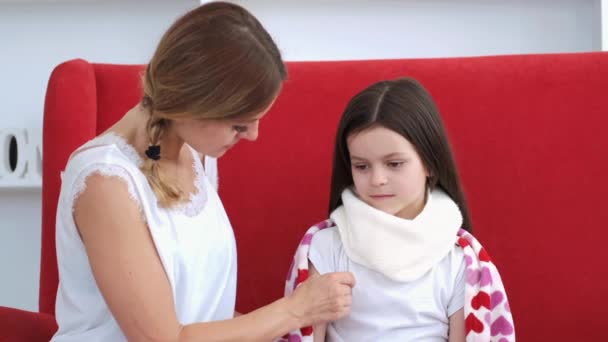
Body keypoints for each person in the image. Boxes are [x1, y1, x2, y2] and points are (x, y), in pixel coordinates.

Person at [51, 2, 355, 341]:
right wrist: (295, 310)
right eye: (239, 125)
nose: (253, 136)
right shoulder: (106, 183)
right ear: (192, 104)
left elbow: (206, 314)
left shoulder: (195, 155)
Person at [281, 78, 514, 341]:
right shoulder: (326, 246)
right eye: (362, 166)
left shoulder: (460, 259)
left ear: (430, 164)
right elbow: (305, 334)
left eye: (394, 164)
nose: (377, 179)